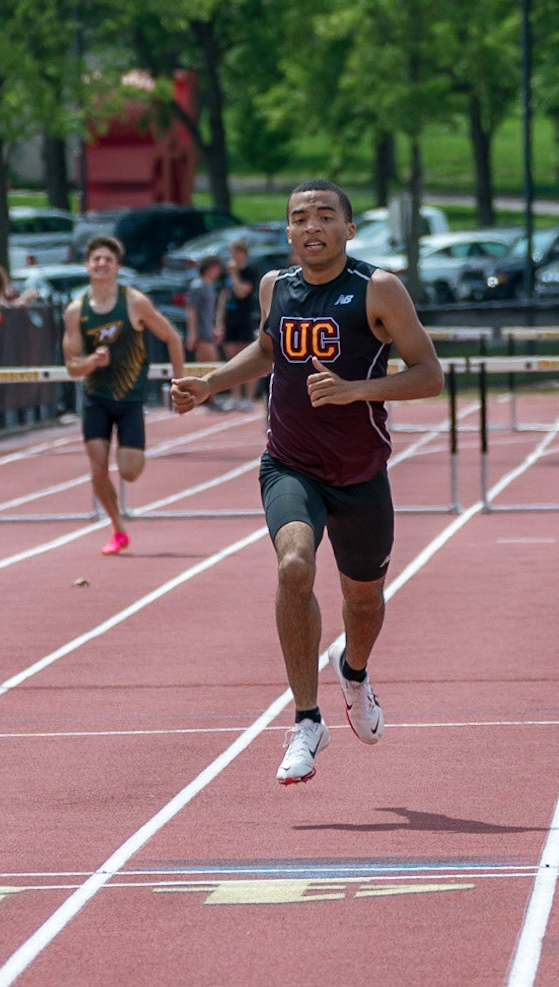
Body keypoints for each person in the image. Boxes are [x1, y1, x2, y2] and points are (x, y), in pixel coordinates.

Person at [170, 179, 443, 785]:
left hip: (360, 473)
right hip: (289, 464)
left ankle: (354, 671)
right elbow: (267, 350)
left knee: (363, 603)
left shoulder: (378, 289)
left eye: (324, 215)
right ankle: (306, 719)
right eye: (299, 217)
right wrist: (209, 384)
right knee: (294, 565)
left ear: (349, 228)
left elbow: (429, 375)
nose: (311, 226)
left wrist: (355, 391)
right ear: (288, 231)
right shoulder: (275, 286)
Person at [63, 235, 186, 555]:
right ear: (87, 266)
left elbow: (172, 337)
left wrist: (179, 381)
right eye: (96, 259)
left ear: (117, 266)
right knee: (98, 467)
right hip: (96, 397)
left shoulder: (134, 302)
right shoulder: (76, 311)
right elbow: (72, 367)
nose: (101, 264)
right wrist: (91, 361)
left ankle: (120, 513)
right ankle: (117, 528)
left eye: (107, 259)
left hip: (130, 397)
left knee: (130, 470)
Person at [218, 239, 260, 410]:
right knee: (231, 361)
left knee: (247, 360)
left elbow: (242, 292)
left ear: (244, 254)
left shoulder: (249, 271)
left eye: (237, 253)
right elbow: (223, 296)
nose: (234, 257)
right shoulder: (226, 274)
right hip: (230, 320)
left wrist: (234, 274)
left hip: (245, 320)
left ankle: (248, 398)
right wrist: (219, 321)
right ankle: (235, 396)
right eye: (232, 253)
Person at [184, 256, 223, 387]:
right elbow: (191, 309)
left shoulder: (210, 286)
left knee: (209, 368)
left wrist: (213, 328)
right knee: (207, 368)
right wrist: (192, 333)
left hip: (208, 331)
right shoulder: (198, 286)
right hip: (201, 334)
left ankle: (207, 395)